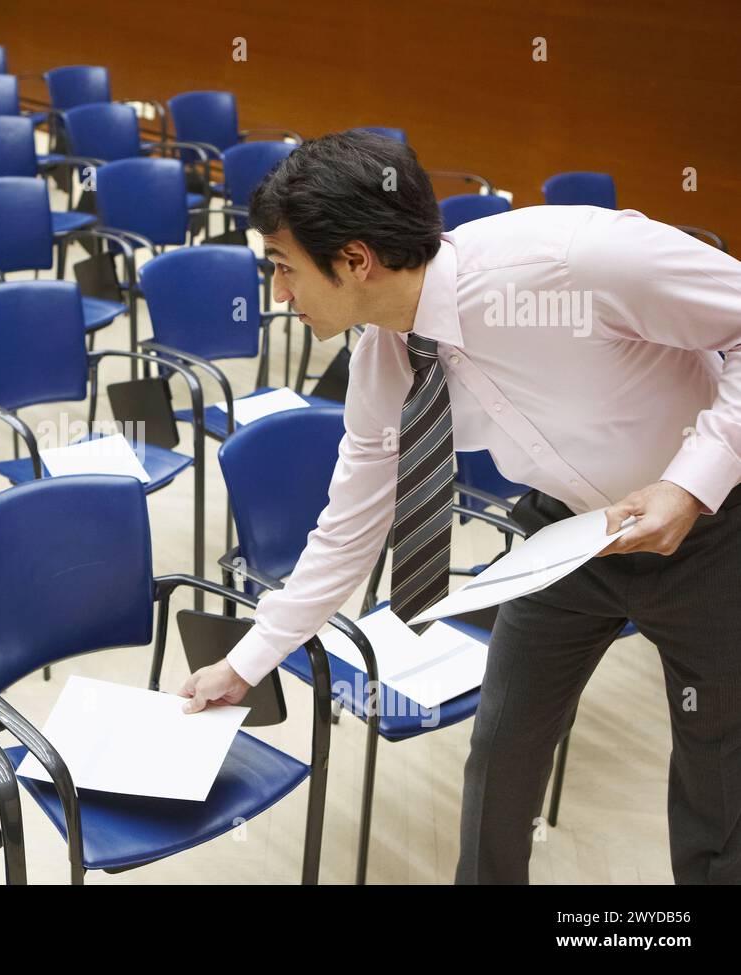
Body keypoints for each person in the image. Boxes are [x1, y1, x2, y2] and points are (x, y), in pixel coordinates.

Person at [179, 130, 741, 884]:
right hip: (572, 535)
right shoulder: (384, 354)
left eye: (284, 267)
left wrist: (691, 478)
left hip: (715, 534)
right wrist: (246, 662)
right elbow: (351, 522)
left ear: (354, 259)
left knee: (718, 769)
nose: (278, 294)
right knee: (502, 750)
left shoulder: (575, 260)